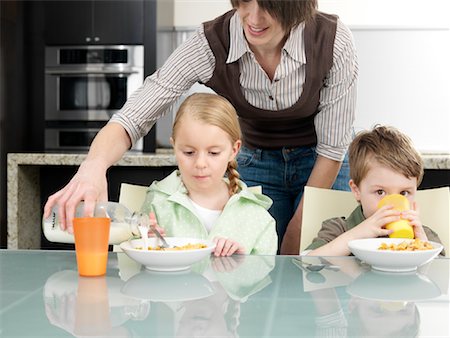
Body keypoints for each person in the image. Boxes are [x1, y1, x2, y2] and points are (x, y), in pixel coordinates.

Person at [43, 0, 358, 255]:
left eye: (271, 5)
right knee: (251, 271)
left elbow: (331, 149)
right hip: (256, 161)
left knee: (321, 268)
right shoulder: (209, 43)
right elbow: (136, 114)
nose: (254, 16)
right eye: (245, 0)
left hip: (323, 164)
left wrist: (295, 231)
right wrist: (94, 166)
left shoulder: (332, 40)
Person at [141, 93, 277, 256]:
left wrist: (243, 264)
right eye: (189, 152)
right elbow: (133, 266)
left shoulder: (257, 217)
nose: (200, 163)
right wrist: (144, 245)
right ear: (174, 147)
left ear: (234, 151)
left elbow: (265, 277)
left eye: (213, 153)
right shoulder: (157, 202)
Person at [305, 125, 443, 256]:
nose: (393, 205)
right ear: (356, 190)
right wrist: (355, 236)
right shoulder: (338, 229)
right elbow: (307, 263)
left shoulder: (425, 235)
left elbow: (442, 275)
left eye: (404, 193)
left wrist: (423, 247)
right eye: (380, 192)